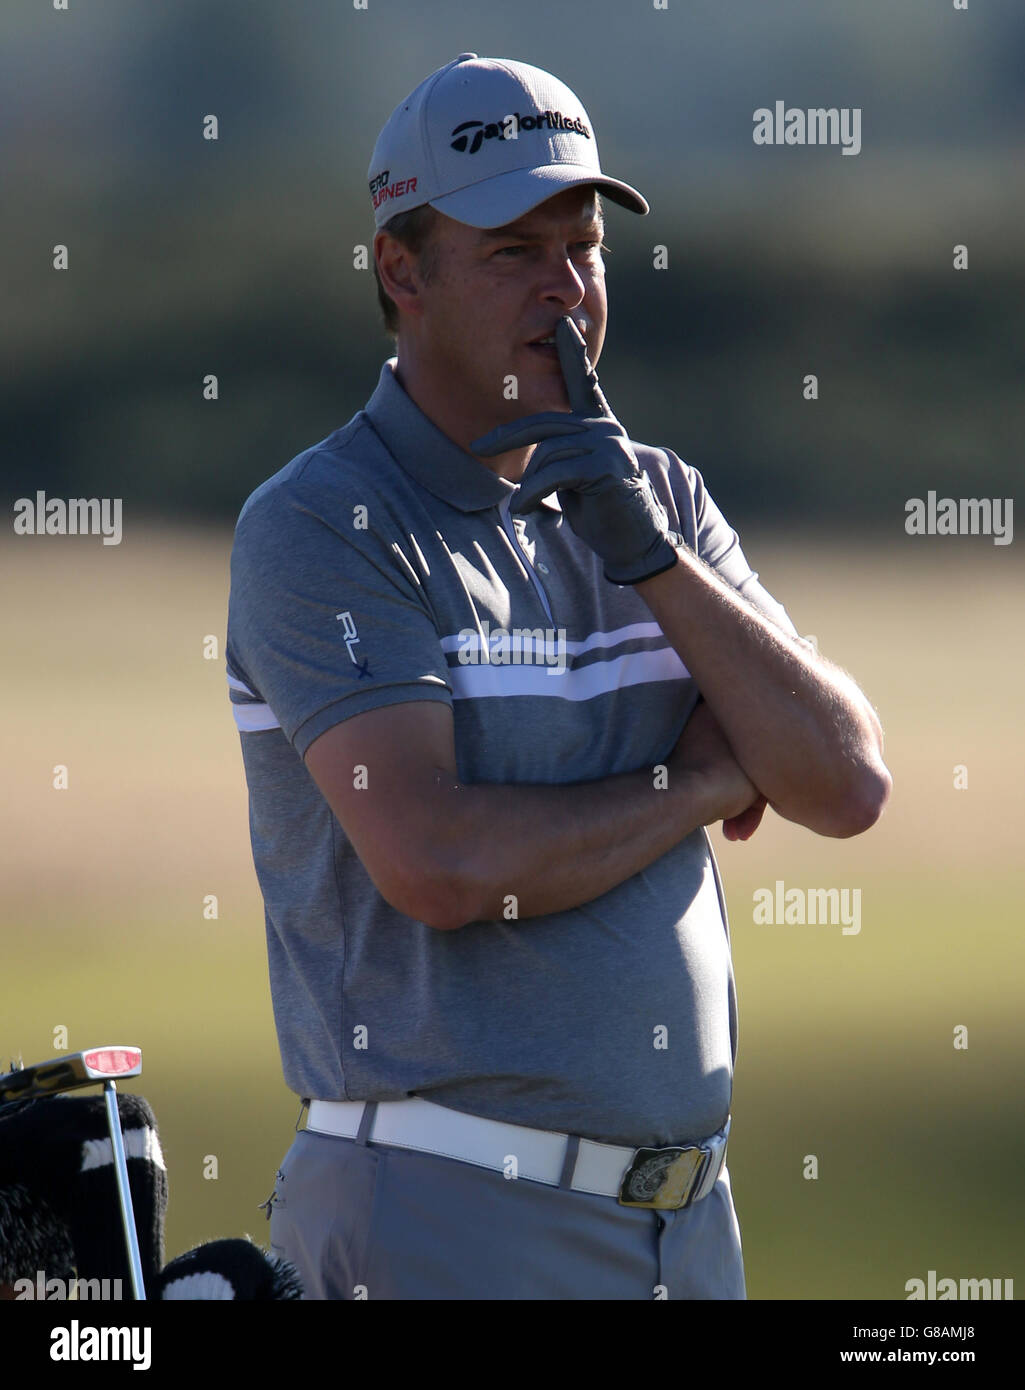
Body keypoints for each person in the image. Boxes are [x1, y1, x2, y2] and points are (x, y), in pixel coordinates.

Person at [225, 53, 891, 1300]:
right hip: (443, 1214)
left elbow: (843, 781)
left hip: (685, 1227)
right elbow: (442, 862)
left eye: (581, 246)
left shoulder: (657, 499)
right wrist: (697, 778)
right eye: (512, 252)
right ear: (400, 272)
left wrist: (652, 561)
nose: (565, 290)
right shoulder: (323, 524)